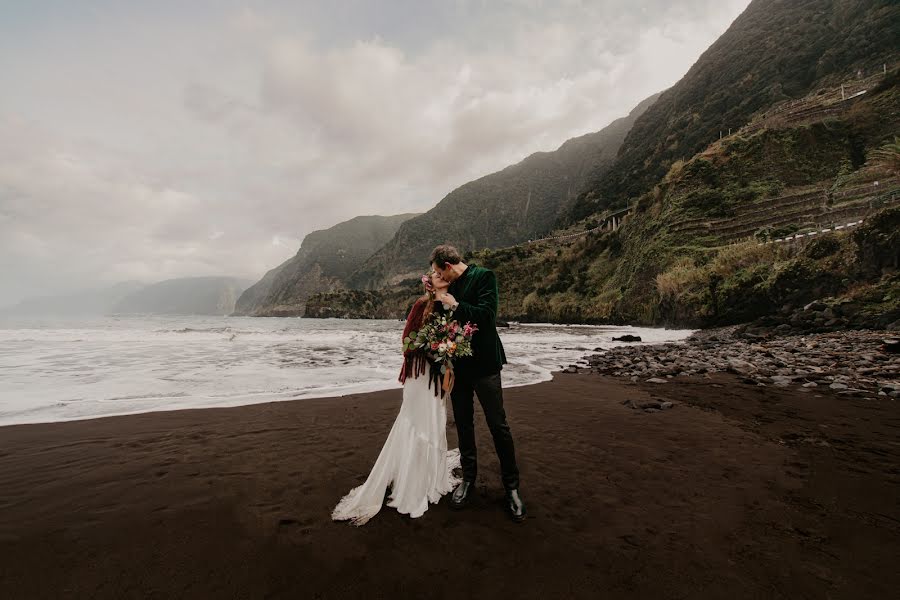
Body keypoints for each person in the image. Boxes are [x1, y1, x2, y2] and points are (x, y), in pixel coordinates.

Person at [331, 271, 460, 526]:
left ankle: (426, 479)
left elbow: (453, 337)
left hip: (437, 376)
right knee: (414, 423)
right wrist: (432, 348)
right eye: (435, 274)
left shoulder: (450, 307)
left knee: (433, 420)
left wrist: (447, 350)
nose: (439, 276)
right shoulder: (420, 305)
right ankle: (409, 484)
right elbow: (406, 342)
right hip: (419, 375)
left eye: (442, 274)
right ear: (430, 284)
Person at [431, 244, 526, 522]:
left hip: (485, 365)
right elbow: (439, 324)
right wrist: (438, 296)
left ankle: (512, 488)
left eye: (439, 271)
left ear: (448, 266)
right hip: (458, 367)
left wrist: (455, 304)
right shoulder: (446, 288)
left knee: (498, 425)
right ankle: (468, 480)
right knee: (463, 423)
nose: (438, 276)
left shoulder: (485, 276)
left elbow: (487, 315)